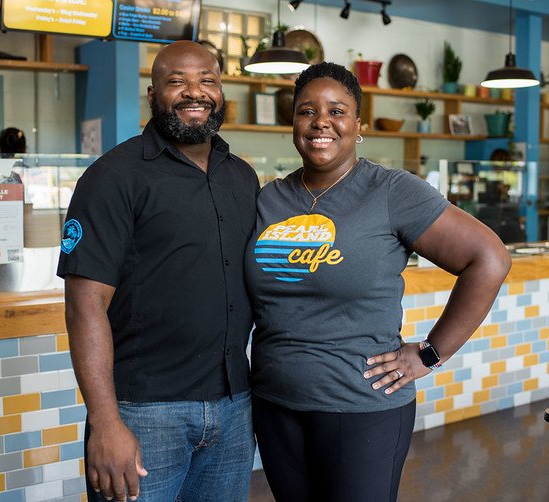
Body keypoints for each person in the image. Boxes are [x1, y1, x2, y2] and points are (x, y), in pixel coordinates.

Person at [245, 62, 511, 501]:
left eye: (337, 111)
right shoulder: (271, 197)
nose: (321, 123)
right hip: (276, 405)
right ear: (293, 123)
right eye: (307, 111)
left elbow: (489, 258)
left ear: (358, 125)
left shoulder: (391, 191)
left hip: (361, 408)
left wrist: (430, 353)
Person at [57, 41, 259, 502]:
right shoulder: (113, 177)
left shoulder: (241, 177)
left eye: (207, 79)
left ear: (221, 90)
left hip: (233, 408)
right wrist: (105, 422)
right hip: (145, 413)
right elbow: (84, 307)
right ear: (152, 94)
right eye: (177, 81)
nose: (195, 92)